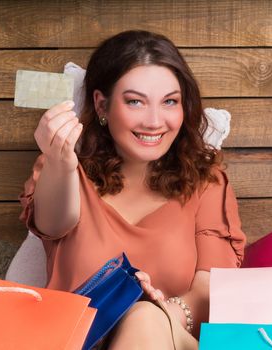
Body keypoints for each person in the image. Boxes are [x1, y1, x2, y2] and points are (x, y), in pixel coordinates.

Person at [19, 30, 246, 349]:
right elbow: (52, 224)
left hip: (170, 338)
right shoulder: (64, 168)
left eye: (169, 101)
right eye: (135, 101)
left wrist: (155, 311)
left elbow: (210, 288)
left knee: (141, 317)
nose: (155, 121)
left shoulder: (206, 181)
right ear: (101, 104)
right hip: (76, 341)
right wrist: (61, 161)